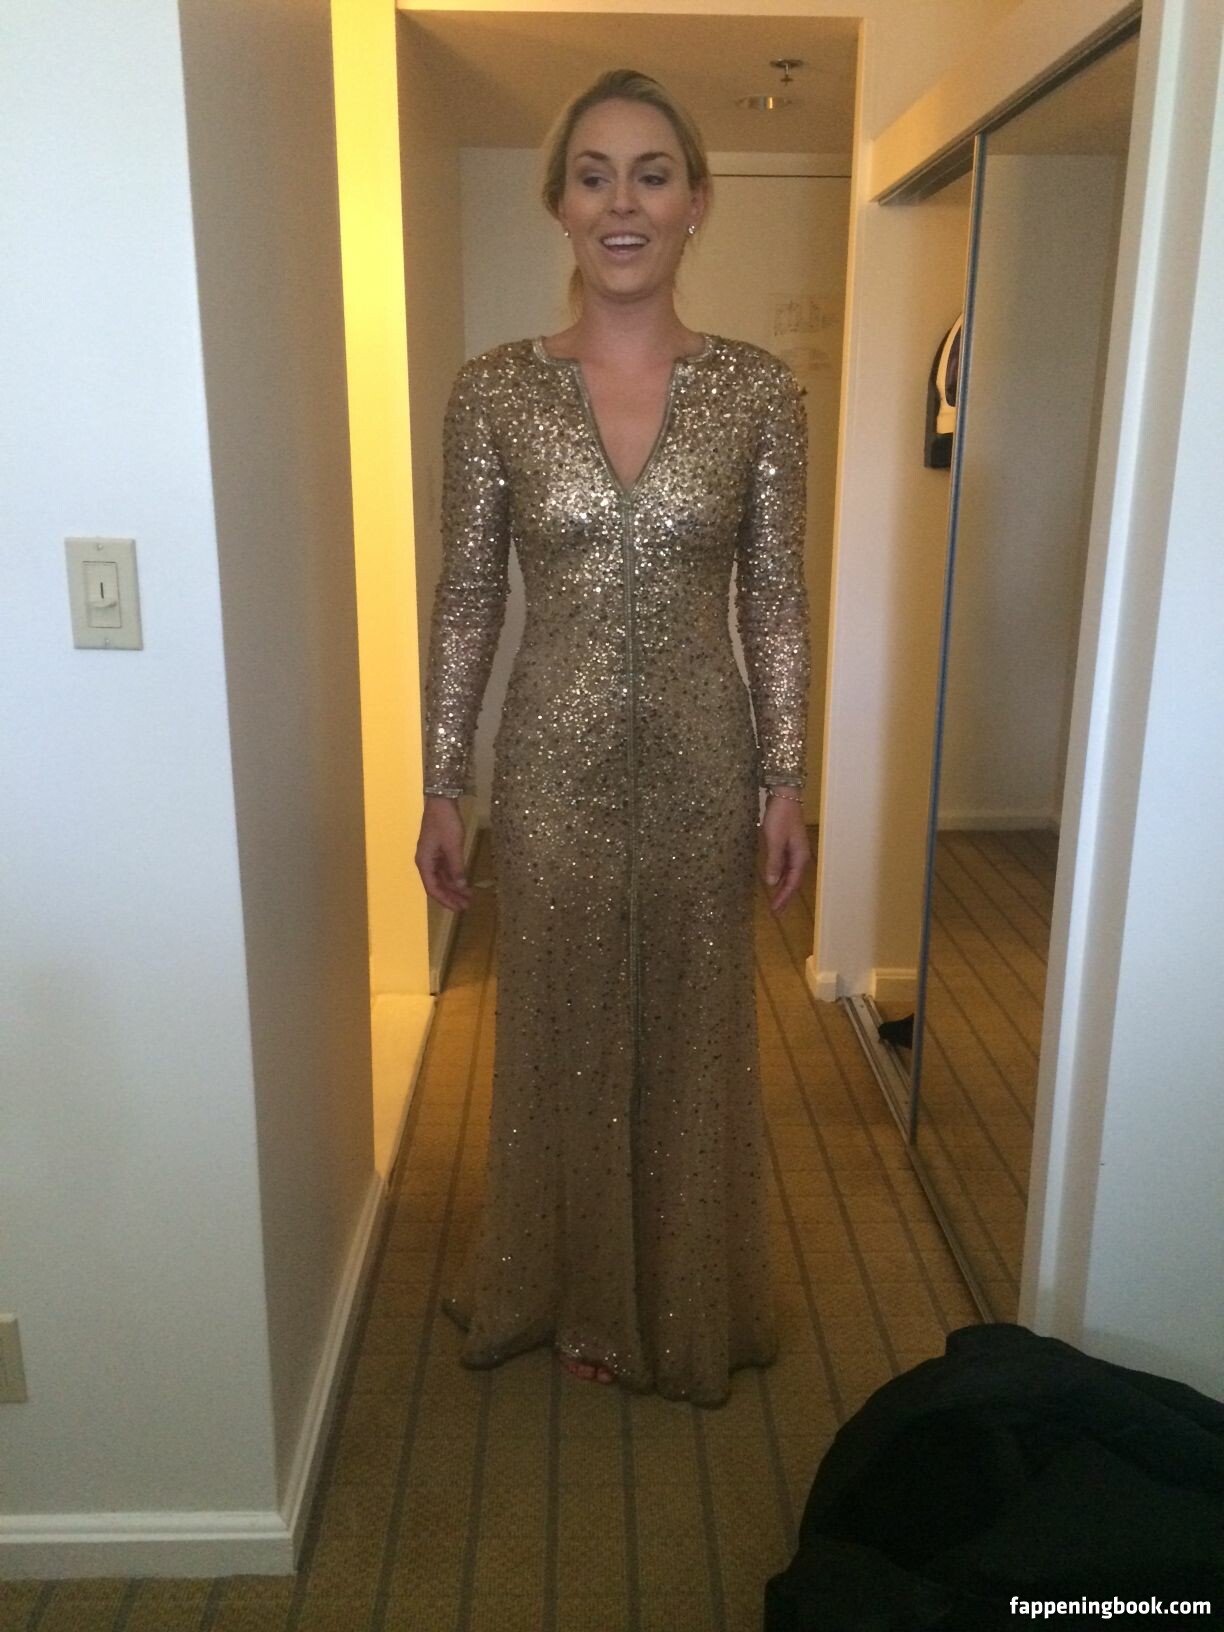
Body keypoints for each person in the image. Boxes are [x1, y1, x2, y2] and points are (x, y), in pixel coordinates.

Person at [414, 67, 811, 1409]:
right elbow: (469, 598)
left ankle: (686, 1299)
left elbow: (775, 598)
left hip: (706, 764)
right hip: (553, 770)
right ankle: (569, 1290)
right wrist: (443, 779)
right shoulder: (495, 393)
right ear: (560, 204)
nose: (622, 202)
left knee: (693, 1033)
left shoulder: (758, 392)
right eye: (594, 175)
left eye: (652, 173)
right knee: (561, 1033)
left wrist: (785, 776)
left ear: (697, 202)